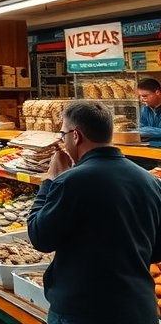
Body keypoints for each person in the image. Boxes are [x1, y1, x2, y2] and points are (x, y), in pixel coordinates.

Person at [27, 101, 161, 324]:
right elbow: (156, 251)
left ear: (76, 135)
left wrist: (50, 181)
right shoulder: (151, 181)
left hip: (83, 311)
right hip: (139, 309)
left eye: (63, 134)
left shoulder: (70, 182)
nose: (63, 140)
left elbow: (39, 236)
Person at [136, 78, 161, 147]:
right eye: (140, 96)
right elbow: (140, 128)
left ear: (157, 92)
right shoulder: (145, 108)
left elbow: (140, 131)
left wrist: (144, 131)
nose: (141, 99)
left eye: (144, 96)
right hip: (148, 149)